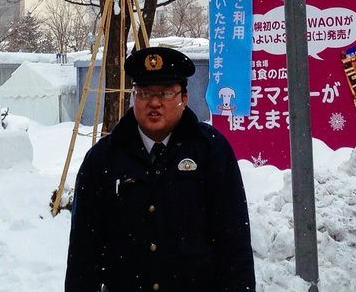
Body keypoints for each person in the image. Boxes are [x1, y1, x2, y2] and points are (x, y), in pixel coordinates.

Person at [65, 45, 255, 291]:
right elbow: (84, 252)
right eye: (144, 93)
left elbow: (234, 243)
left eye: (165, 93)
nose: (154, 103)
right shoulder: (103, 159)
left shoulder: (211, 152)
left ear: (183, 98)